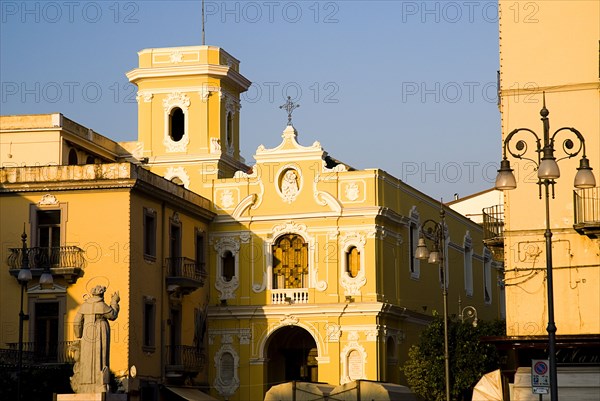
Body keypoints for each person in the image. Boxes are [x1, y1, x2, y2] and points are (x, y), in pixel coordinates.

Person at [71, 285, 120, 393]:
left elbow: (77, 322)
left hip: (87, 333)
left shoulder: (84, 306)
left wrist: (79, 334)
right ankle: (100, 383)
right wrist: (114, 301)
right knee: (101, 358)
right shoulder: (101, 305)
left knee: (87, 358)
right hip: (100, 331)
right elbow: (113, 315)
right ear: (102, 294)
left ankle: (85, 384)